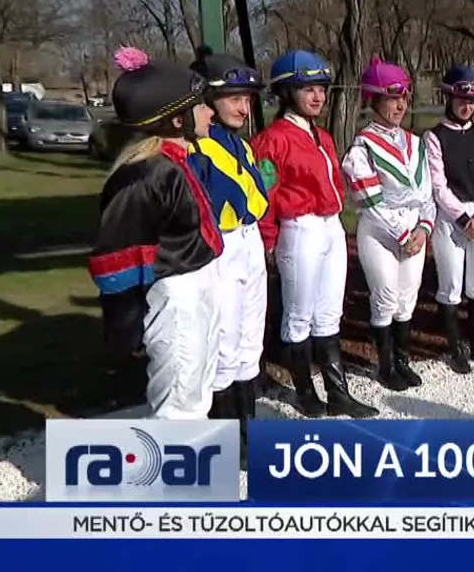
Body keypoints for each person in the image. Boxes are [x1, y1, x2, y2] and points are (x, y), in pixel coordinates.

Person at [88, 46, 223, 419]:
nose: (210, 112)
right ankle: (170, 459)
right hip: (175, 294)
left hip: (199, 284)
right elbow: (116, 260)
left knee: (198, 394)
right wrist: (126, 326)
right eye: (201, 106)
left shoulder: (176, 163)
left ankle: (195, 455)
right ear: (178, 120)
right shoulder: (145, 176)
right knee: (178, 405)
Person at [252, 50, 378, 419]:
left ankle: (338, 393)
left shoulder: (322, 135)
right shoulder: (273, 139)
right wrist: (268, 240)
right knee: (298, 315)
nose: (318, 96)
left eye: (321, 89)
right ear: (288, 92)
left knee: (329, 314)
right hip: (300, 228)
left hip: (331, 227)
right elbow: (265, 193)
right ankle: (306, 392)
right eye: (308, 89)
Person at [186, 46, 269, 445]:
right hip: (222, 245)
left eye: (247, 100)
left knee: (251, 337)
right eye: (234, 99)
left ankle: (247, 427)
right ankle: (224, 434)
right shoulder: (198, 148)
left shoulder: (242, 145)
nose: (244, 108)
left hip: (250, 241)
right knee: (225, 341)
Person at [341, 57, 434, 391]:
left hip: (413, 229)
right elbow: (371, 202)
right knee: (386, 297)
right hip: (380, 231)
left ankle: (402, 360)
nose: (400, 105)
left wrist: (423, 228)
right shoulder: (362, 146)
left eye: (404, 97)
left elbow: (427, 195)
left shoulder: (416, 143)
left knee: (407, 298)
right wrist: (405, 233)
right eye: (392, 98)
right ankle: (384, 365)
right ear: (374, 100)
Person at [426, 64, 474, 374]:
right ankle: (455, 348)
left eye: (472, 101)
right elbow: (438, 186)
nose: (466, 106)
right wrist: (465, 220)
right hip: (450, 220)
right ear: (449, 97)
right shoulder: (434, 136)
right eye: (461, 99)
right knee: (451, 284)